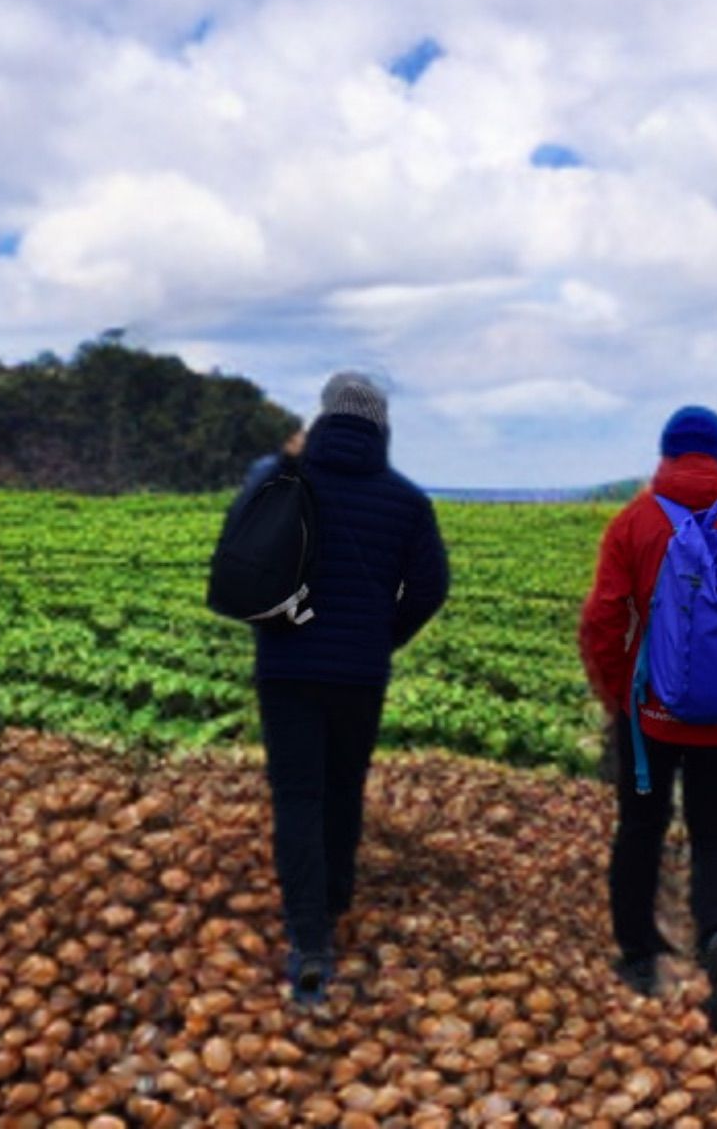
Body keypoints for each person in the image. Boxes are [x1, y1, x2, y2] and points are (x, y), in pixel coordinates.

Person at [578, 406, 717, 1034]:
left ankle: (640, 956)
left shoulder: (634, 523)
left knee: (642, 827)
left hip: (647, 712)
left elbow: (603, 620)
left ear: (666, 452)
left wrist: (618, 695)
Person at [246, 372, 448, 1006]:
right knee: (343, 786)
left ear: (324, 418)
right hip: (360, 672)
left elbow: (244, 564)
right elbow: (430, 586)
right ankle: (334, 897)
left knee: (298, 796)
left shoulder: (281, 482)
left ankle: (310, 945)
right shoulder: (406, 500)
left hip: (287, 668)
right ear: (382, 428)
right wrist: (384, 636)